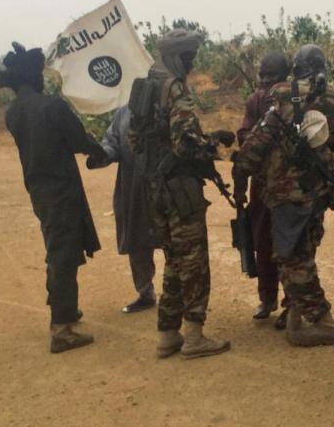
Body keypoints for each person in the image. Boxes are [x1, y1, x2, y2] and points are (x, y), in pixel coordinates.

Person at [128, 28, 235, 360]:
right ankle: (194, 337)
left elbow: (134, 141)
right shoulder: (175, 89)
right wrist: (214, 142)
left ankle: (167, 335)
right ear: (175, 56)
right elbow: (185, 144)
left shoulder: (145, 87)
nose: (192, 64)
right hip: (180, 191)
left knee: (174, 261)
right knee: (194, 264)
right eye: (189, 57)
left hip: (154, 189)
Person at [235, 44, 334, 348]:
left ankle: (321, 320)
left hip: (288, 195)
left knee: (291, 259)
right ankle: (296, 315)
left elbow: (252, 149)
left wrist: (240, 179)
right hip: (318, 192)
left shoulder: (282, 97)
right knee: (303, 254)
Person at [0, 42, 106, 354]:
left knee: (57, 246)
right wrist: (100, 152)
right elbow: (78, 139)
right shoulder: (51, 107)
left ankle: (65, 308)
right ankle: (61, 327)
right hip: (62, 188)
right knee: (64, 253)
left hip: (39, 189)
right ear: (33, 76)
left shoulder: (13, 112)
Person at [233, 52, 291, 324]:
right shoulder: (254, 101)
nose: (266, 82)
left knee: (290, 246)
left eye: (272, 76)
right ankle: (267, 298)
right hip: (261, 185)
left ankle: (292, 304)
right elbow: (243, 136)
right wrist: (262, 133)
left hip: (288, 186)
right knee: (262, 243)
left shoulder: (295, 101)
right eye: (262, 76)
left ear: (285, 77)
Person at [88, 104, 159, 314]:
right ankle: (145, 292)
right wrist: (100, 155)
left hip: (164, 187)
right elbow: (112, 143)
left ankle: (179, 294)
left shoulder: (166, 105)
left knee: (174, 240)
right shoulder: (124, 112)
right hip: (133, 187)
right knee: (136, 239)